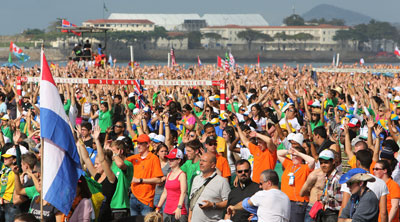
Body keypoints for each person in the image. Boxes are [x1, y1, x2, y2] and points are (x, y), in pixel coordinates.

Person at [339, 149, 388, 222]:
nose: (347, 186)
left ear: (360, 183)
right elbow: (341, 218)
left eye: (350, 183)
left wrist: (346, 220)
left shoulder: (368, 198)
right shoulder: (354, 196)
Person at [300, 149, 342, 222]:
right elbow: (301, 193)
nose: (323, 165)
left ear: (333, 162)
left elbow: (340, 201)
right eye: (321, 163)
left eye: (326, 162)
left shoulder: (337, 179)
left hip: (333, 215)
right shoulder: (327, 177)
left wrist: (322, 198)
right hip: (325, 213)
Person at [127, 134, 163, 216]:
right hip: (133, 197)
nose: (138, 146)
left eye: (140, 143)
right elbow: (121, 163)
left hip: (147, 200)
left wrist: (140, 180)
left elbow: (158, 180)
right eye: (137, 143)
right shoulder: (134, 158)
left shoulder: (154, 158)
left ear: (147, 144)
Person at [277, 145, 315, 222]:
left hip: (298, 203)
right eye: (292, 155)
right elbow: (277, 153)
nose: (293, 157)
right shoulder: (289, 164)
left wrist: (298, 153)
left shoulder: (305, 168)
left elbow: (312, 161)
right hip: (285, 201)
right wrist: (289, 152)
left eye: (296, 156)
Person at [189, 153, 230, 222]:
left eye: (204, 161)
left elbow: (228, 202)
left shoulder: (222, 181)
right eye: (200, 160)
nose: (201, 163)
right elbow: (192, 200)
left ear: (213, 165)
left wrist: (213, 205)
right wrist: (190, 218)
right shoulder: (196, 179)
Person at [156, 148, 188, 222]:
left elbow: (183, 192)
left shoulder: (181, 174)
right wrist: (158, 207)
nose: (169, 161)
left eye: (172, 159)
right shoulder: (168, 174)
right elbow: (165, 193)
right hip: (167, 210)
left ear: (179, 160)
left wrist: (179, 207)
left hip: (178, 211)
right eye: (169, 159)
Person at [153, 143, 170, 212]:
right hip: (155, 193)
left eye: (165, 151)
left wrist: (165, 178)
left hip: (166, 193)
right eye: (162, 151)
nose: (164, 153)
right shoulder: (154, 163)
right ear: (157, 153)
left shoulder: (170, 163)